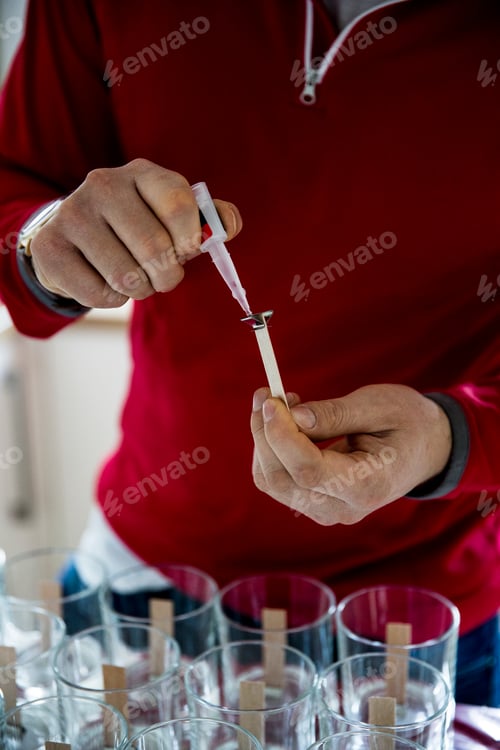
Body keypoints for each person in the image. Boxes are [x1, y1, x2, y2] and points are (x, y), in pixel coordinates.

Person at [0, 0, 499, 706]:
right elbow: (16, 185)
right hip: (138, 589)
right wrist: (43, 240)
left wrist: (453, 437)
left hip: (415, 638)